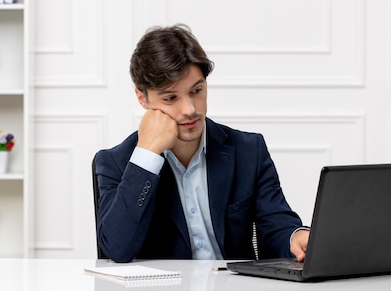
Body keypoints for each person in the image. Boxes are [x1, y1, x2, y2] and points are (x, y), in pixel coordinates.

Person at [94, 24, 309, 263]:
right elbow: (116, 249)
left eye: (197, 90)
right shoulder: (117, 162)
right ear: (142, 98)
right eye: (170, 98)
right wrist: (147, 154)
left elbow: (277, 225)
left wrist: (295, 236)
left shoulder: (248, 150)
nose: (190, 110)